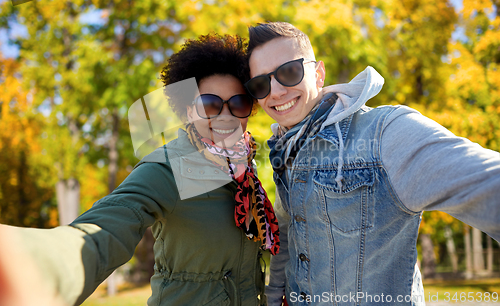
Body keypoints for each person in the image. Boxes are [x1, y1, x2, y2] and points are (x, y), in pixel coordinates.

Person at [0, 33, 279, 306]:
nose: (225, 116)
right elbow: (107, 227)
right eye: (209, 105)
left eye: (239, 103)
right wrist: (31, 266)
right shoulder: (168, 167)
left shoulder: (244, 170)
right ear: (189, 111)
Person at [244, 22, 500, 306]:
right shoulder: (286, 150)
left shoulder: (384, 132)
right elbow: (289, 239)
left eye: (289, 72)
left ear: (318, 74)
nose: (276, 92)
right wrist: (273, 294)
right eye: (260, 84)